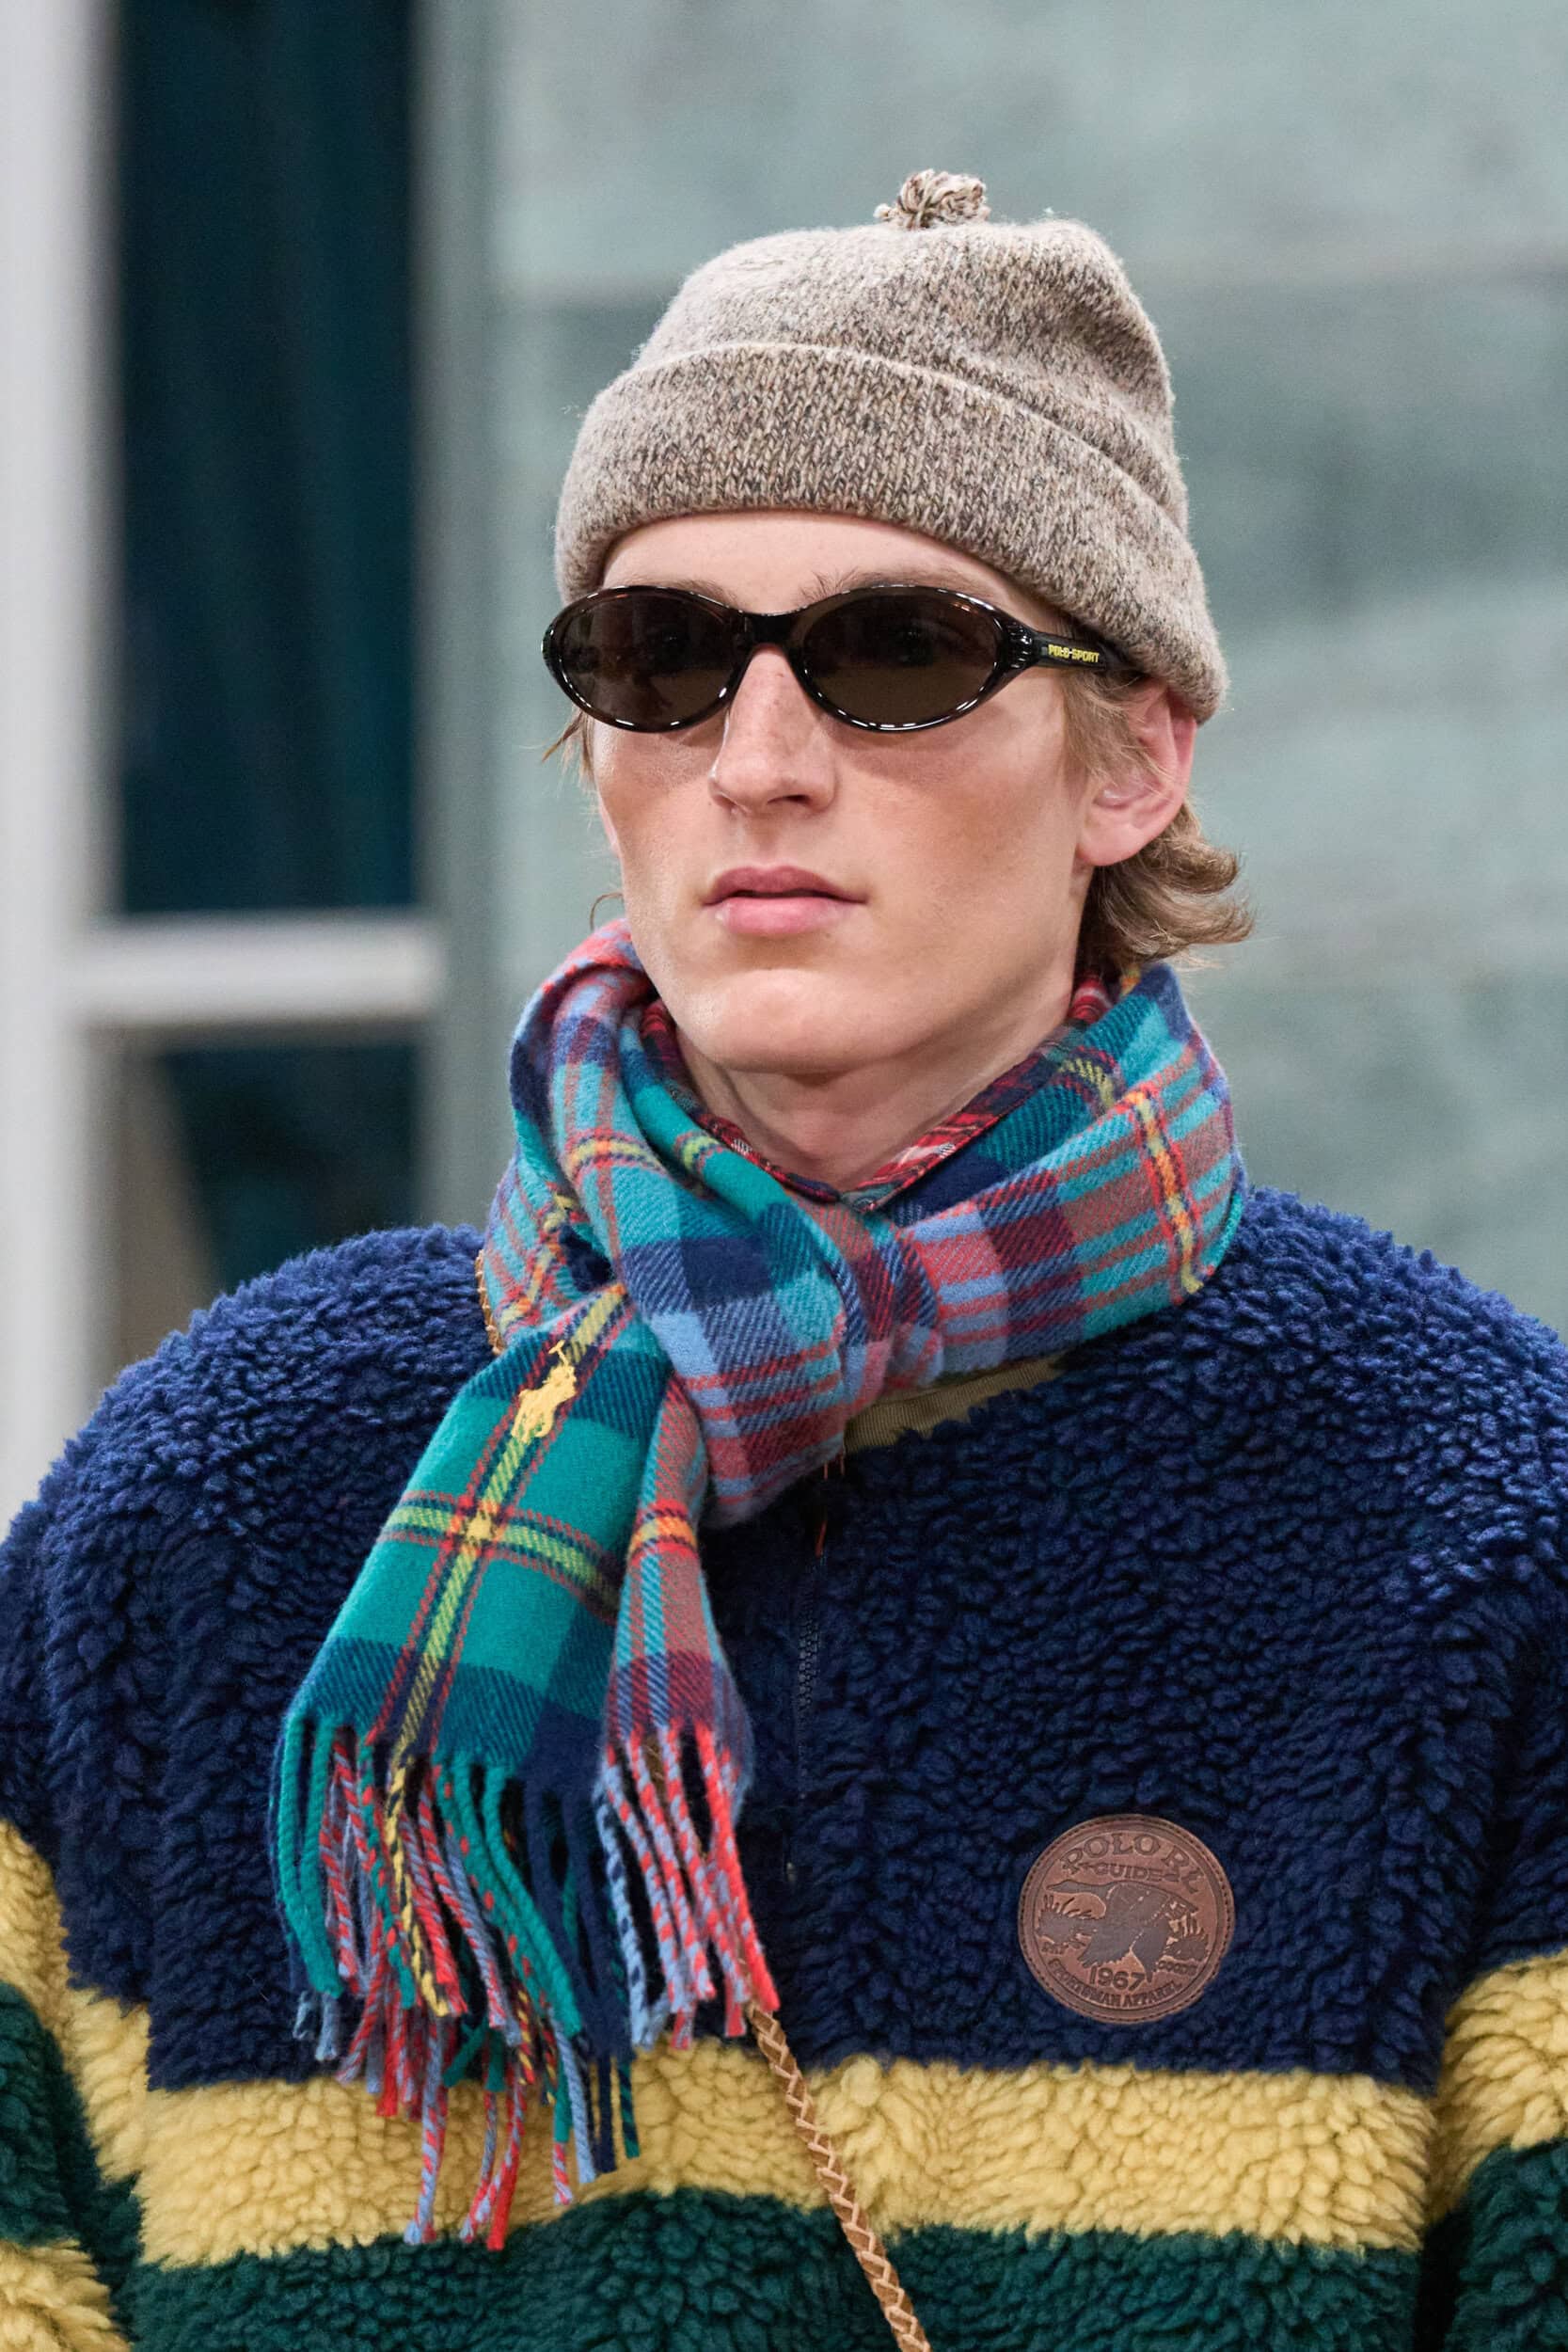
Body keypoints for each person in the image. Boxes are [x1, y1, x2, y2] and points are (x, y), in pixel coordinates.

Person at [1, 167, 1564, 2352]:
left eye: (895, 657)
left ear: (1132, 754)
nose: (755, 761)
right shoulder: (217, 1480)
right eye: (657, 661)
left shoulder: (1474, 1507)